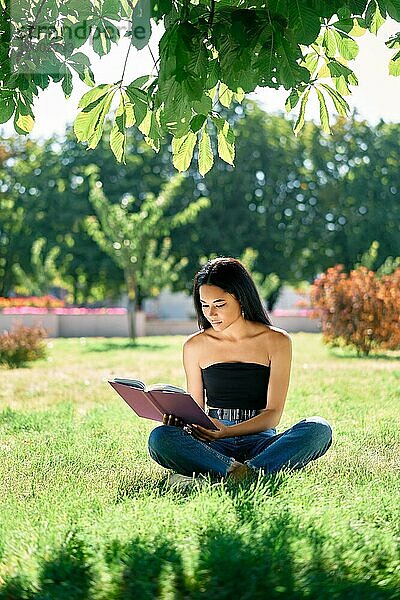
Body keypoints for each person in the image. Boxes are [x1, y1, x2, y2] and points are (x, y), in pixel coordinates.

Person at [148, 257, 332, 486]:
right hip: (213, 441)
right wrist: (181, 423)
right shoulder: (195, 345)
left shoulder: (277, 341)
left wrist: (228, 431)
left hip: (260, 441)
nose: (211, 313)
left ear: (241, 297)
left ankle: (232, 470)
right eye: (205, 305)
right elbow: (196, 411)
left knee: (318, 429)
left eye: (219, 304)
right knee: (160, 438)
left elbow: (273, 414)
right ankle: (243, 470)